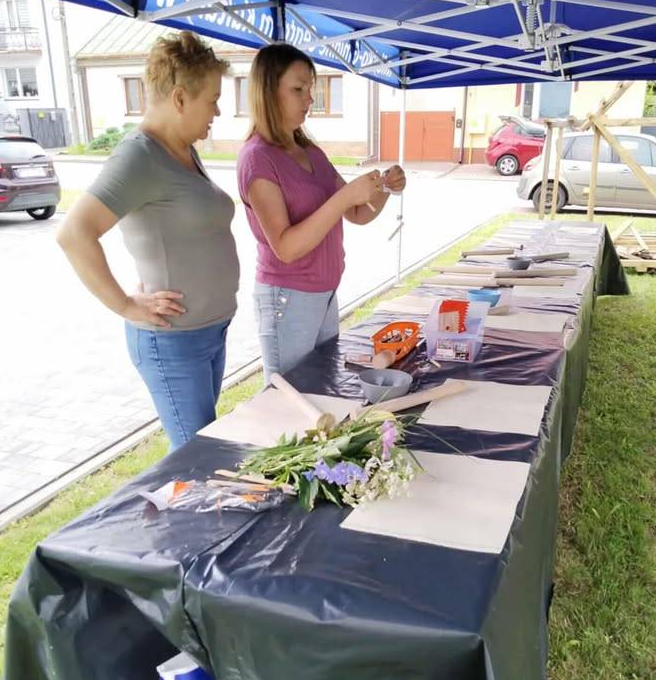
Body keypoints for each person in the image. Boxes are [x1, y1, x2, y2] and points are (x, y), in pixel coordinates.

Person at [56, 31, 239, 451]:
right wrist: (125, 304)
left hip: (209, 332)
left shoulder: (182, 150)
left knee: (198, 452)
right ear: (180, 98)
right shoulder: (139, 156)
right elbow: (73, 233)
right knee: (197, 459)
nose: (217, 111)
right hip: (173, 341)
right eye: (212, 99)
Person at [237, 43, 406, 382]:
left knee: (321, 387)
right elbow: (286, 247)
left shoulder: (309, 151)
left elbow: (358, 212)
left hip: (324, 293)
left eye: (310, 89)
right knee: (290, 397)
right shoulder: (257, 158)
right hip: (287, 298)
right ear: (268, 92)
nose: (310, 99)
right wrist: (344, 198)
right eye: (298, 89)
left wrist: (386, 189)